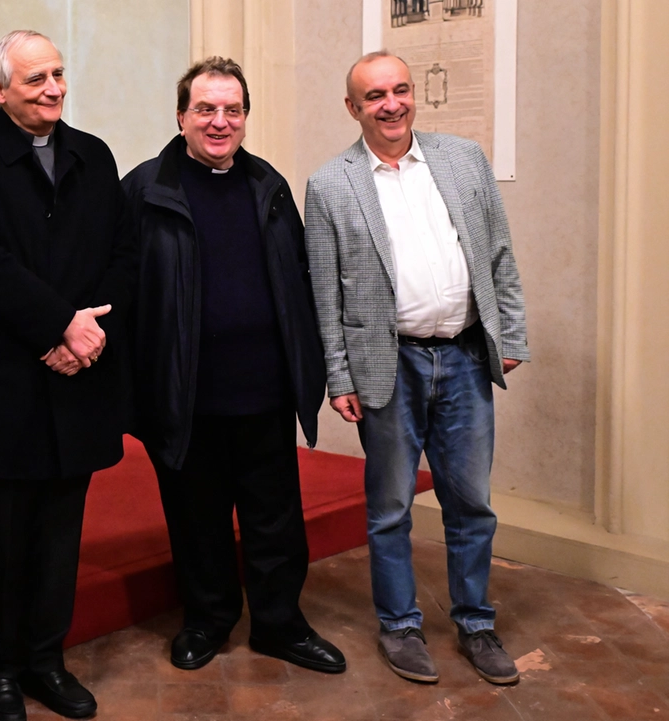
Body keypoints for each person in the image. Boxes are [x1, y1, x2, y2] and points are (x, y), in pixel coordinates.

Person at [304, 51, 530, 685]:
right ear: (354, 108)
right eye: (374, 96)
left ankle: (477, 625)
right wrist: (339, 376)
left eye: (400, 90)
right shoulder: (329, 184)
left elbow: (501, 253)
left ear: (414, 96)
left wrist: (508, 331)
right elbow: (326, 292)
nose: (392, 104)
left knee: (470, 504)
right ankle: (400, 627)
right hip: (388, 363)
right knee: (389, 508)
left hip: (462, 356)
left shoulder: (463, 158)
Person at [0, 29, 137, 721]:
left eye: (56, 74)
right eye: (34, 80)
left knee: (60, 534)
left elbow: (121, 253)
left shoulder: (94, 154)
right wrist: (60, 325)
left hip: (79, 375)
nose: (53, 88)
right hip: (4, 382)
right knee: (3, 536)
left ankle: (47, 661)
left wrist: (87, 334)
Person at [122, 57, 346, 675]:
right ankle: (208, 619)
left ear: (245, 116)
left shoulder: (268, 186)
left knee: (275, 519)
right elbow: (125, 296)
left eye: (232, 110)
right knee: (198, 521)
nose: (220, 122)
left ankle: (280, 624)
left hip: (265, 390)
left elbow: (298, 281)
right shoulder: (145, 190)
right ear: (181, 116)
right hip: (185, 393)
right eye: (205, 109)